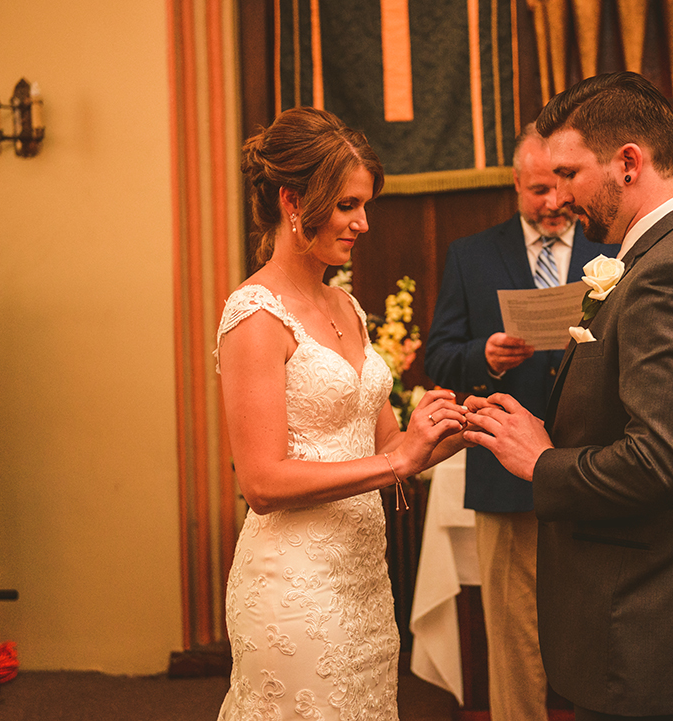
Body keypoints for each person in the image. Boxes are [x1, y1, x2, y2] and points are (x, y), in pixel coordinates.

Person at [463, 72, 673, 721]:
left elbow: (660, 463)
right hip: (644, 627)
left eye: (570, 173)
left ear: (628, 162)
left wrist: (541, 460)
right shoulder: (669, 253)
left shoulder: (672, 274)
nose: (560, 197)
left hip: (646, 633)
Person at [214, 106, 468, 721]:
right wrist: (397, 457)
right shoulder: (254, 315)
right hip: (293, 588)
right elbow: (262, 482)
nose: (364, 222)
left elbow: (388, 443)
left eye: (364, 205)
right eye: (348, 205)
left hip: (362, 581)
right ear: (292, 199)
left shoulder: (346, 306)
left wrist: (452, 430)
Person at [423, 123, 610, 721]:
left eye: (562, 185)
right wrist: (485, 354)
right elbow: (439, 354)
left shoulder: (613, 252)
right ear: (514, 185)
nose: (553, 203)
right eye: (537, 190)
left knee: (596, 625)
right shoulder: (471, 255)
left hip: (591, 467)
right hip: (504, 475)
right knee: (514, 635)